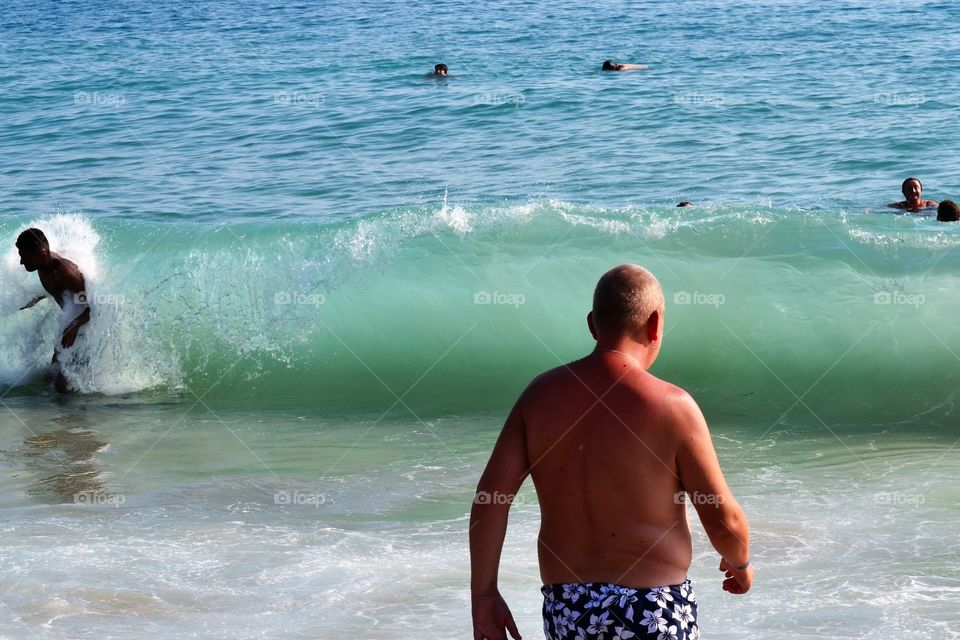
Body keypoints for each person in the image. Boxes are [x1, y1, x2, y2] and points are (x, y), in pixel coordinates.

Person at [470, 264, 752, 640]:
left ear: (592, 325)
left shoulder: (538, 398)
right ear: (655, 324)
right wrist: (741, 563)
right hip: (654, 609)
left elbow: (491, 500)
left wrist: (484, 594)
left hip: (568, 607)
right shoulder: (672, 406)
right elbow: (722, 520)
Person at [16, 228, 90, 393]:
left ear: (42, 254)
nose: (22, 262)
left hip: (86, 330)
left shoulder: (67, 274)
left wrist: (75, 325)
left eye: (25, 257)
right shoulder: (43, 265)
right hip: (71, 328)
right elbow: (58, 289)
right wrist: (36, 299)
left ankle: (80, 414)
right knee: (50, 376)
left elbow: (95, 307)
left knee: (62, 386)